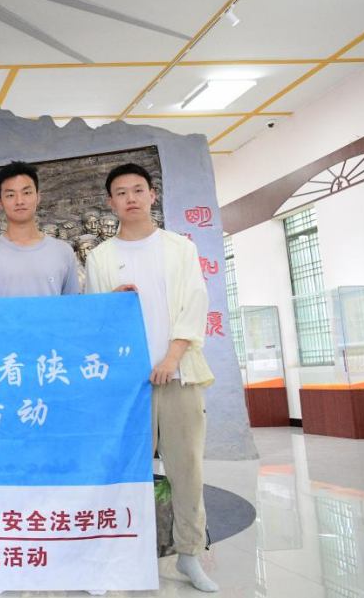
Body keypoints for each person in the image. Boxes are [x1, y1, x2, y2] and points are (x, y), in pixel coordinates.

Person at [85, 163, 217, 593]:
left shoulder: (179, 248)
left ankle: (189, 554)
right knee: (123, 472)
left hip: (178, 377)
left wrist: (173, 356)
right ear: (111, 203)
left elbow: (195, 302)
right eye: (121, 192)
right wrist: (110, 303)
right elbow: (96, 321)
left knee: (186, 469)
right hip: (126, 387)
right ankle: (121, 553)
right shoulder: (101, 257)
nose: (131, 198)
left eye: (138, 190)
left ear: (152, 195)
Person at [0, 161, 80, 298]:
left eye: (26, 192)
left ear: (38, 197)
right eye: (10, 195)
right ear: (0, 202)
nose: (19, 201)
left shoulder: (63, 252)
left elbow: (72, 307)